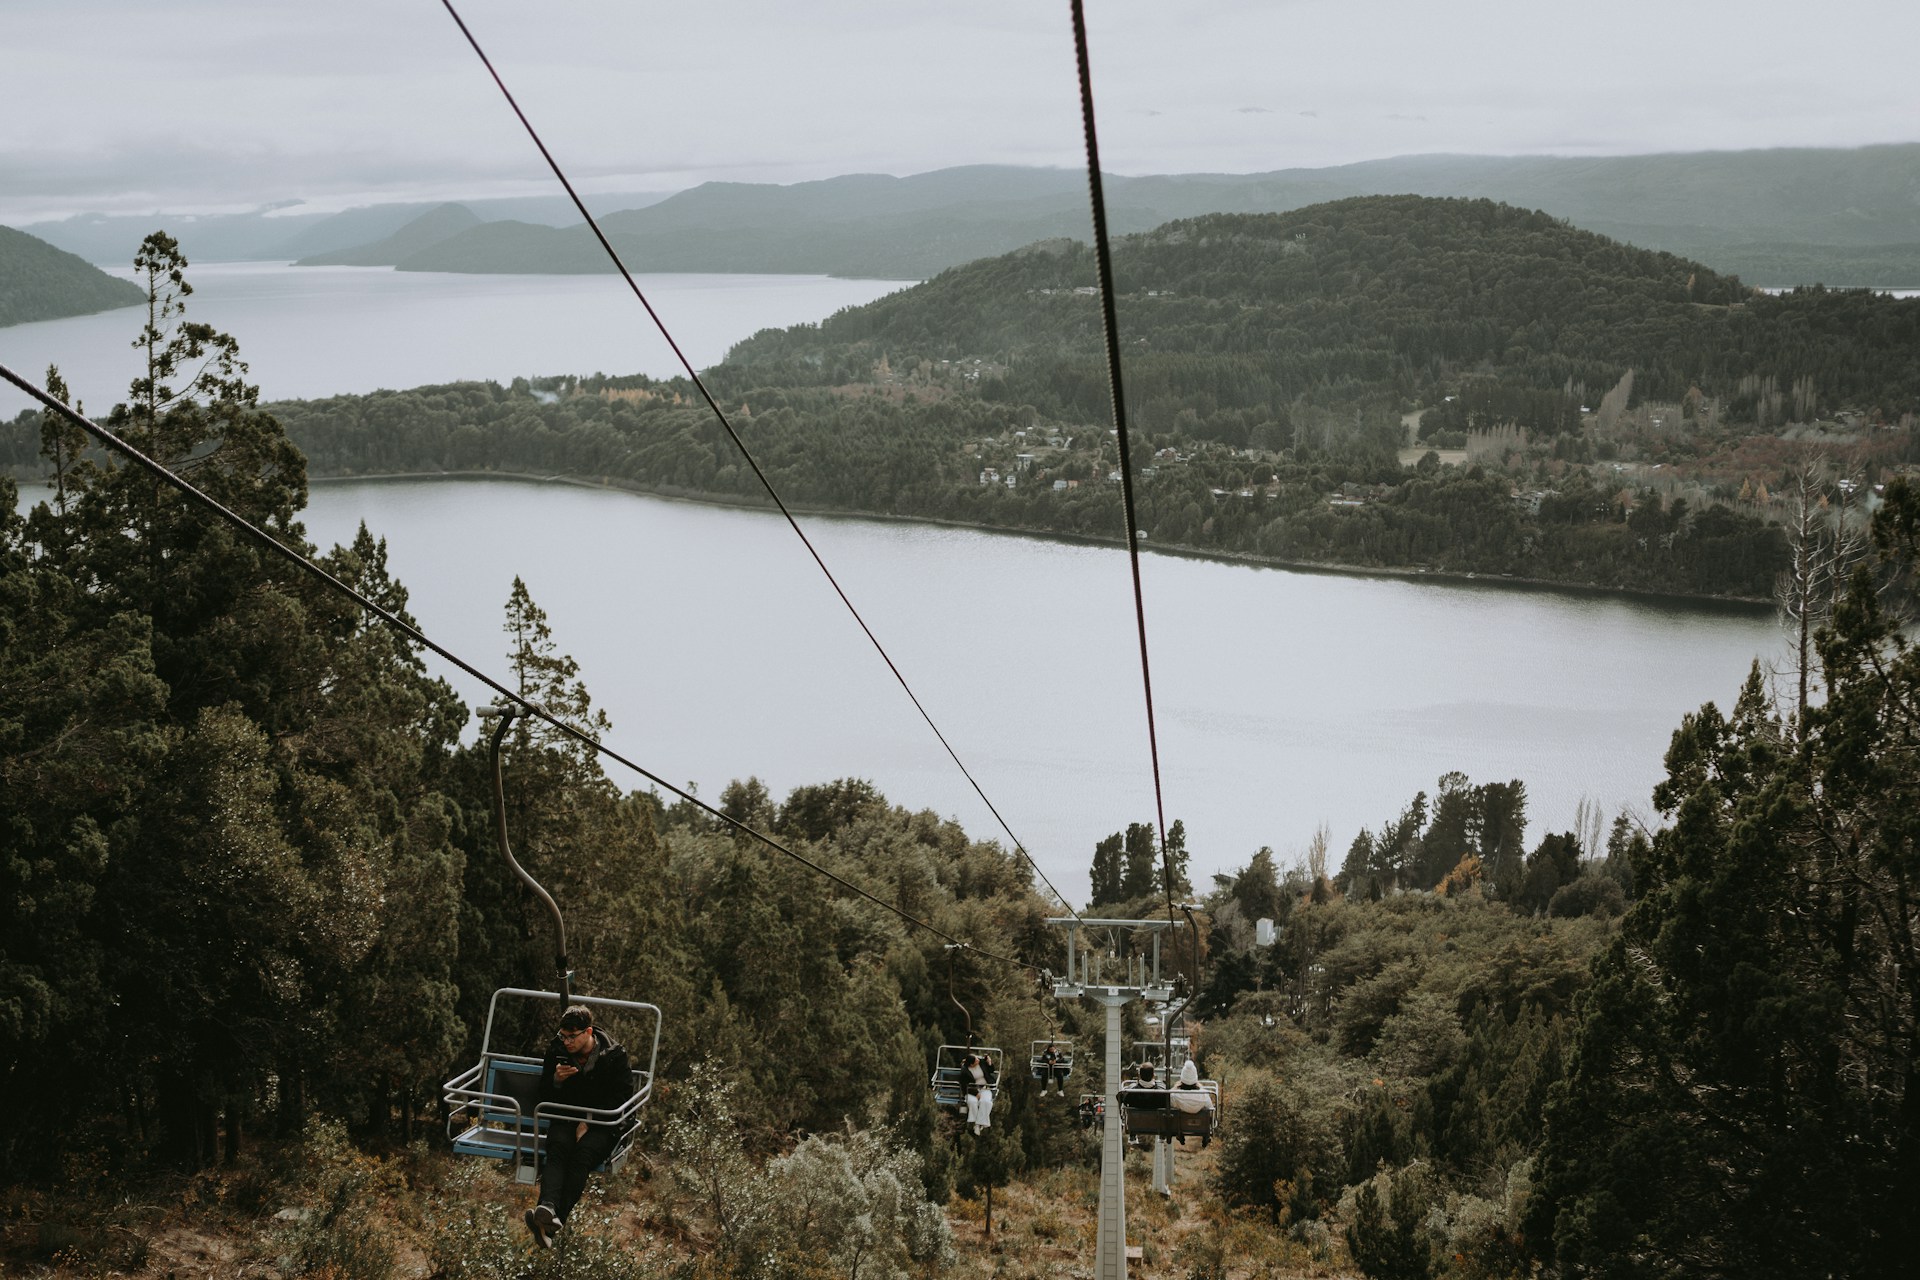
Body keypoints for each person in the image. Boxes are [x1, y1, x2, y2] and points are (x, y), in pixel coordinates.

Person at [524, 1004, 634, 1249]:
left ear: (588, 1032)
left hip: (604, 1122)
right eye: (563, 1036)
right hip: (566, 1116)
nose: (566, 1042)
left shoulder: (614, 1055)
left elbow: (621, 1096)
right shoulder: (557, 1051)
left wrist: (588, 1122)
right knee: (558, 1149)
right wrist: (556, 1081)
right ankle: (548, 1210)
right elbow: (543, 1092)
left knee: (582, 1155)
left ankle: (552, 1220)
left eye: (572, 1037)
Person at [966, 1053, 995, 1133]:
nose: (978, 1060)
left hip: (985, 1088)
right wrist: (976, 1093)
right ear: (971, 1064)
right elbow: (965, 1083)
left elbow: (991, 1070)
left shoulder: (981, 1063)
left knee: (986, 1102)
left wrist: (989, 1062)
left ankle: (978, 1124)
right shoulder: (966, 1070)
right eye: (976, 1060)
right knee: (973, 1102)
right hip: (973, 1090)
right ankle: (978, 1123)